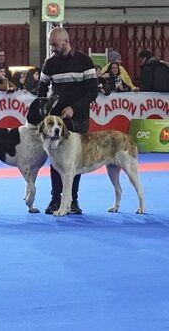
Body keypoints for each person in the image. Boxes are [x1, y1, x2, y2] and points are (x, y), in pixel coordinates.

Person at [37, 27, 100, 215]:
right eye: (51, 45)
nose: (52, 48)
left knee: (75, 161)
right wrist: (45, 112)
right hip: (56, 121)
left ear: (65, 41)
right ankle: (56, 199)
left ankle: (72, 200)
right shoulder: (49, 64)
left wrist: (74, 108)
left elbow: (93, 91)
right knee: (55, 161)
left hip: (79, 118)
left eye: (54, 45)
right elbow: (41, 89)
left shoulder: (84, 61)